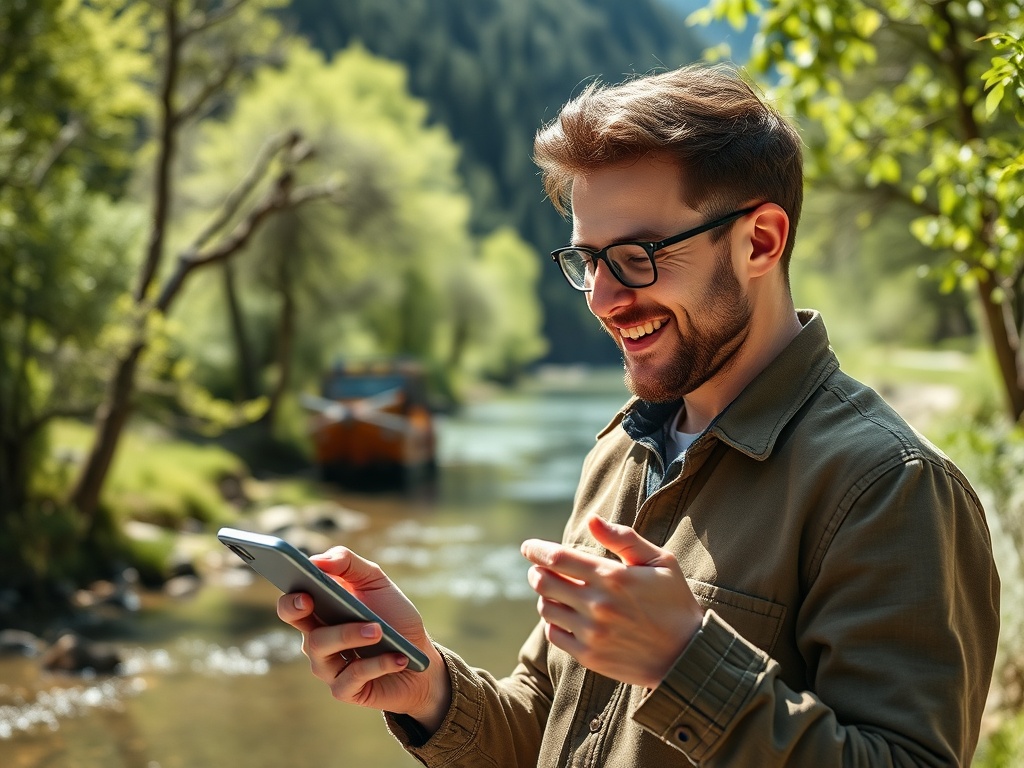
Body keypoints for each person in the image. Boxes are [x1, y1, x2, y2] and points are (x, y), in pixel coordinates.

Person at [277, 64, 1000, 766]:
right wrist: (428, 686)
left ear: (761, 241)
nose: (602, 298)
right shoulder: (623, 451)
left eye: (637, 256)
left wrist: (683, 664)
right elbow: (551, 727)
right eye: (590, 260)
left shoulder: (889, 487)